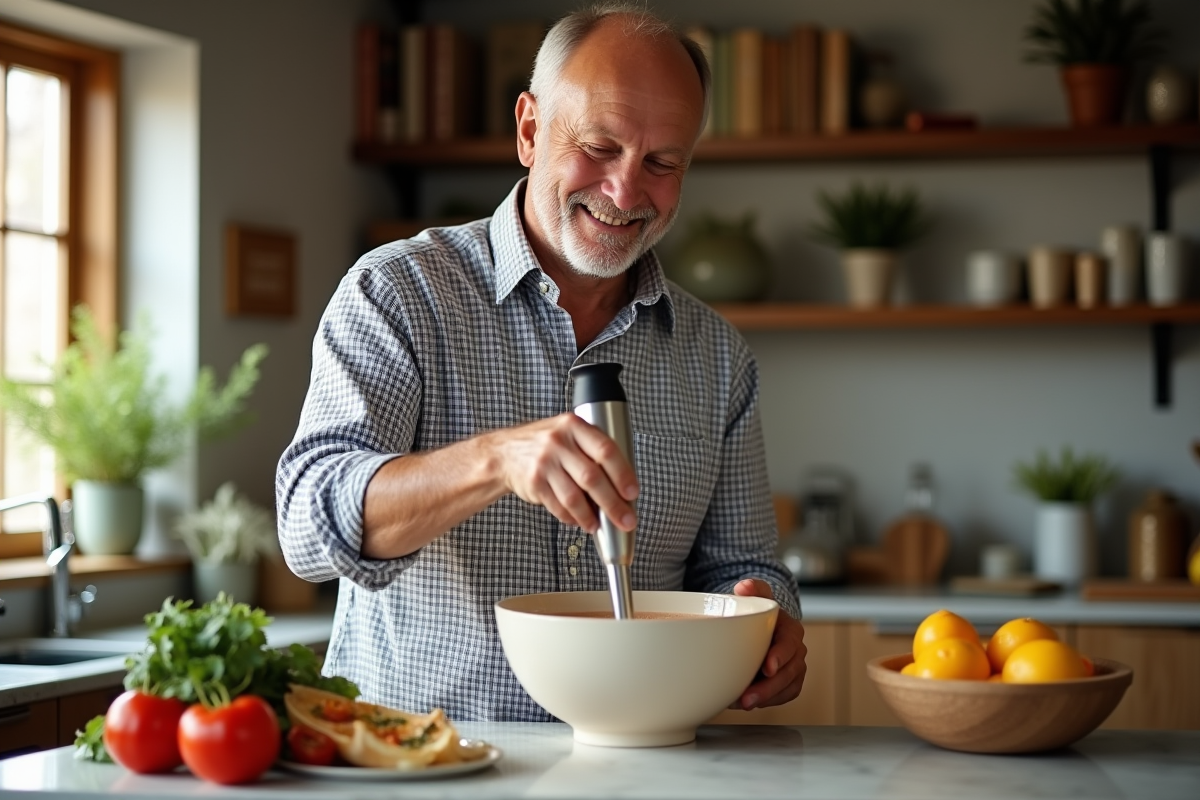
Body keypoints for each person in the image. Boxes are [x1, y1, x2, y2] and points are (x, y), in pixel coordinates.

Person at [277, 2, 806, 722]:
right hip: (421, 764)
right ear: (530, 129)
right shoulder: (399, 292)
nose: (625, 191)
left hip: (639, 767)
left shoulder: (717, 357)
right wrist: (496, 460)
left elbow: (743, 567)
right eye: (598, 146)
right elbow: (309, 528)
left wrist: (765, 618)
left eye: (662, 163)